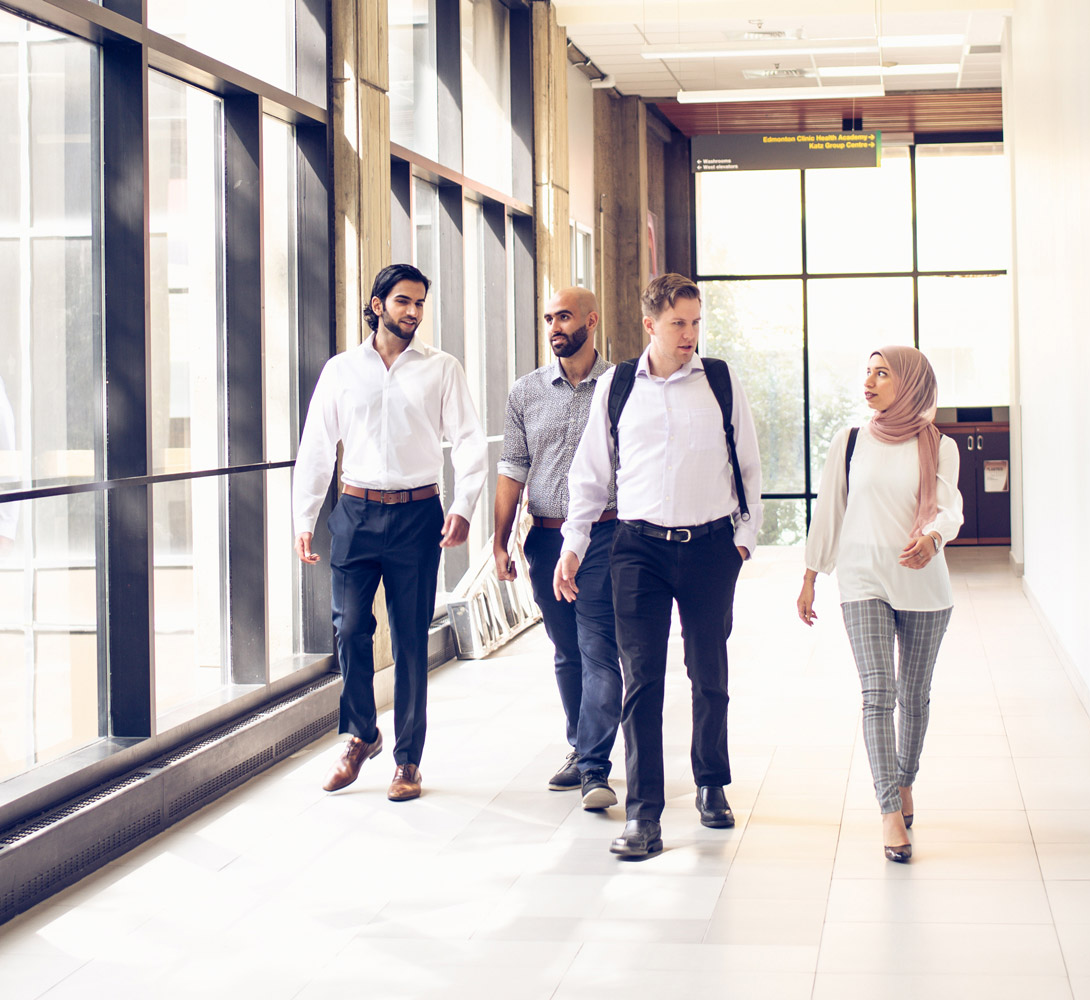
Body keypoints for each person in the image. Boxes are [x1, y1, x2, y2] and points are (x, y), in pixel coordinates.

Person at [556, 273, 763, 859]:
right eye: (679, 323)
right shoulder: (618, 386)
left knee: (709, 674)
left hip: (710, 548)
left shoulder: (720, 380)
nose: (690, 334)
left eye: (696, 322)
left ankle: (711, 783)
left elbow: (748, 464)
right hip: (637, 549)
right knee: (641, 682)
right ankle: (645, 817)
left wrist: (743, 539)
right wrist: (573, 545)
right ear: (650, 324)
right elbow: (590, 475)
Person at [292, 263, 487, 802]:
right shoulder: (340, 371)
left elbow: (469, 442)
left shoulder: (441, 369)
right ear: (377, 304)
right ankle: (362, 734)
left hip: (417, 517)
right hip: (355, 513)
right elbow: (316, 447)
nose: (414, 312)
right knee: (350, 628)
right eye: (403, 302)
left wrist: (465, 506)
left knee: (408, 643)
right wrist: (302, 518)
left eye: (420, 303)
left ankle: (407, 760)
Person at [797, 346, 962, 863]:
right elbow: (830, 510)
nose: (869, 381)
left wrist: (933, 537)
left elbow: (950, 508)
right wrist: (810, 576)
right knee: (877, 692)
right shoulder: (849, 442)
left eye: (882, 373)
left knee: (914, 696)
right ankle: (890, 809)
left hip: (923, 587)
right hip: (862, 579)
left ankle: (906, 779)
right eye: (866, 371)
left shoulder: (940, 445)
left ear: (909, 383)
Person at [491, 286, 621, 812]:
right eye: (548, 318)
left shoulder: (621, 386)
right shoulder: (525, 392)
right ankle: (580, 745)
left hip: (606, 536)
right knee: (567, 650)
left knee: (598, 648)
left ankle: (594, 766)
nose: (554, 328)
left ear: (592, 320)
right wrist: (499, 541)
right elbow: (512, 469)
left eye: (564, 317)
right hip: (544, 538)